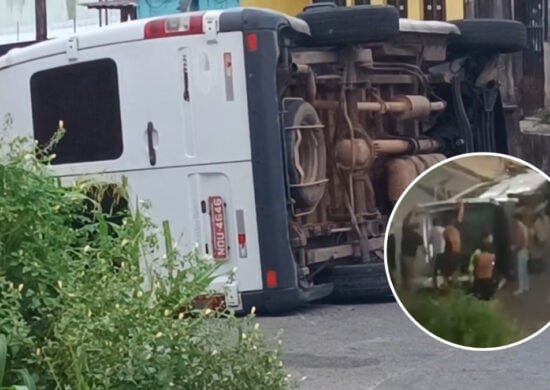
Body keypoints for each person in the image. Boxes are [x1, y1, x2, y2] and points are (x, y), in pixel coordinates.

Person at [441, 200, 465, 287]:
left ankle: (447, 286)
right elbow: (460, 218)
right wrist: (461, 205)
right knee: (455, 272)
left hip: (448, 253)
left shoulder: (445, 231)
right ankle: (454, 287)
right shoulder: (453, 229)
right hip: (454, 253)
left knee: (446, 273)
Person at [469, 234, 497, 300]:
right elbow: (493, 265)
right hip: (488, 281)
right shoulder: (492, 256)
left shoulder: (477, 256)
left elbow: (472, 266)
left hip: (479, 281)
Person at [401, 219, 424, 290]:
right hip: (411, 255)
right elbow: (421, 243)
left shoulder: (406, 234)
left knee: (408, 272)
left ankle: (408, 286)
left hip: (406, 255)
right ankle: (410, 287)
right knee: (410, 272)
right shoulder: (415, 236)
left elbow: (404, 224)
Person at [513, 212, 530, 295]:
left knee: (520, 270)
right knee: (525, 269)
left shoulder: (519, 228)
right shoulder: (525, 227)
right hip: (526, 250)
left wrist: (515, 247)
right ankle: (526, 286)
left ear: (516, 219)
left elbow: (520, 240)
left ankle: (520, 288)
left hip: (521, 250)